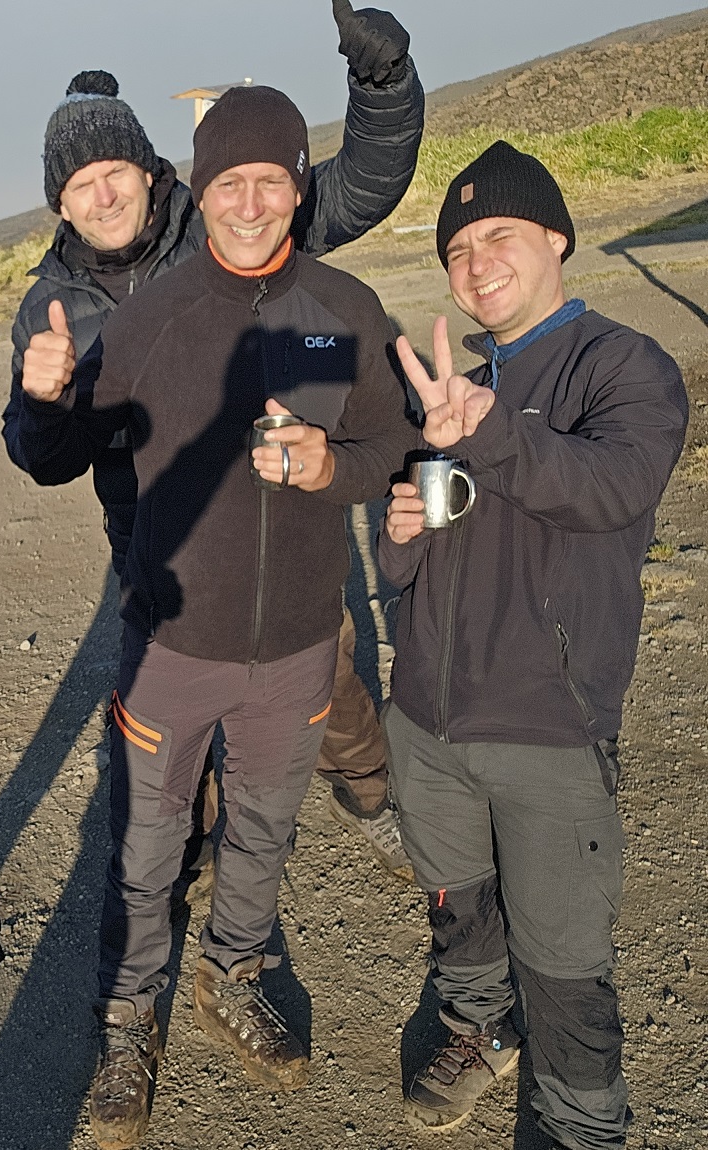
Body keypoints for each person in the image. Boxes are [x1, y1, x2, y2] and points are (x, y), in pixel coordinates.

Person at [12, 85, 414, 1146]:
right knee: (146, 852)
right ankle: (129, 1020)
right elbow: (53, 459)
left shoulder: (343, 312)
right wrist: (40, 398)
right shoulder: (150, 319)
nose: (248, 202)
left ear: (296, 185)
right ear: (196, 187)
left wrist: (335, 462)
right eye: (227, 181)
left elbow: (387, 445)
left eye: (269, 180)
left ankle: (234, 967)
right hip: (173, 648)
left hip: (293, 651)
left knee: (263, 831)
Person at [1, 0, 425, 878]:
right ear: (61, 205)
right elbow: (44, 455)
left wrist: (383, 85)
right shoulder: (52, 309)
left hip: (287, 511)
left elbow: (357, 188)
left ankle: (369, 786)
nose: (103, 193)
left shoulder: (231, 216)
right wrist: (42, 402)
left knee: (329, 662)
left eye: (116, 169)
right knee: (167, 713)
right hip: (157, 538)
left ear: (153, 171)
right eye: (80, 185)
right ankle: (184, 848)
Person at [381, 142, 688, 1149]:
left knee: (562, 962)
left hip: (548, 725)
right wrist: (399, 541)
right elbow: (432, 555)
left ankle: (580, 1124)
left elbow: (611, 489)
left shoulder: (621, 364)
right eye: (458, 248)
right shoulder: (456, 389)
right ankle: (477, 1025)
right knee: (458, 908)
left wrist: (489, 434)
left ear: (556, 237)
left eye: (498, 236)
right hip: (430, 718)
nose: (476, 263)